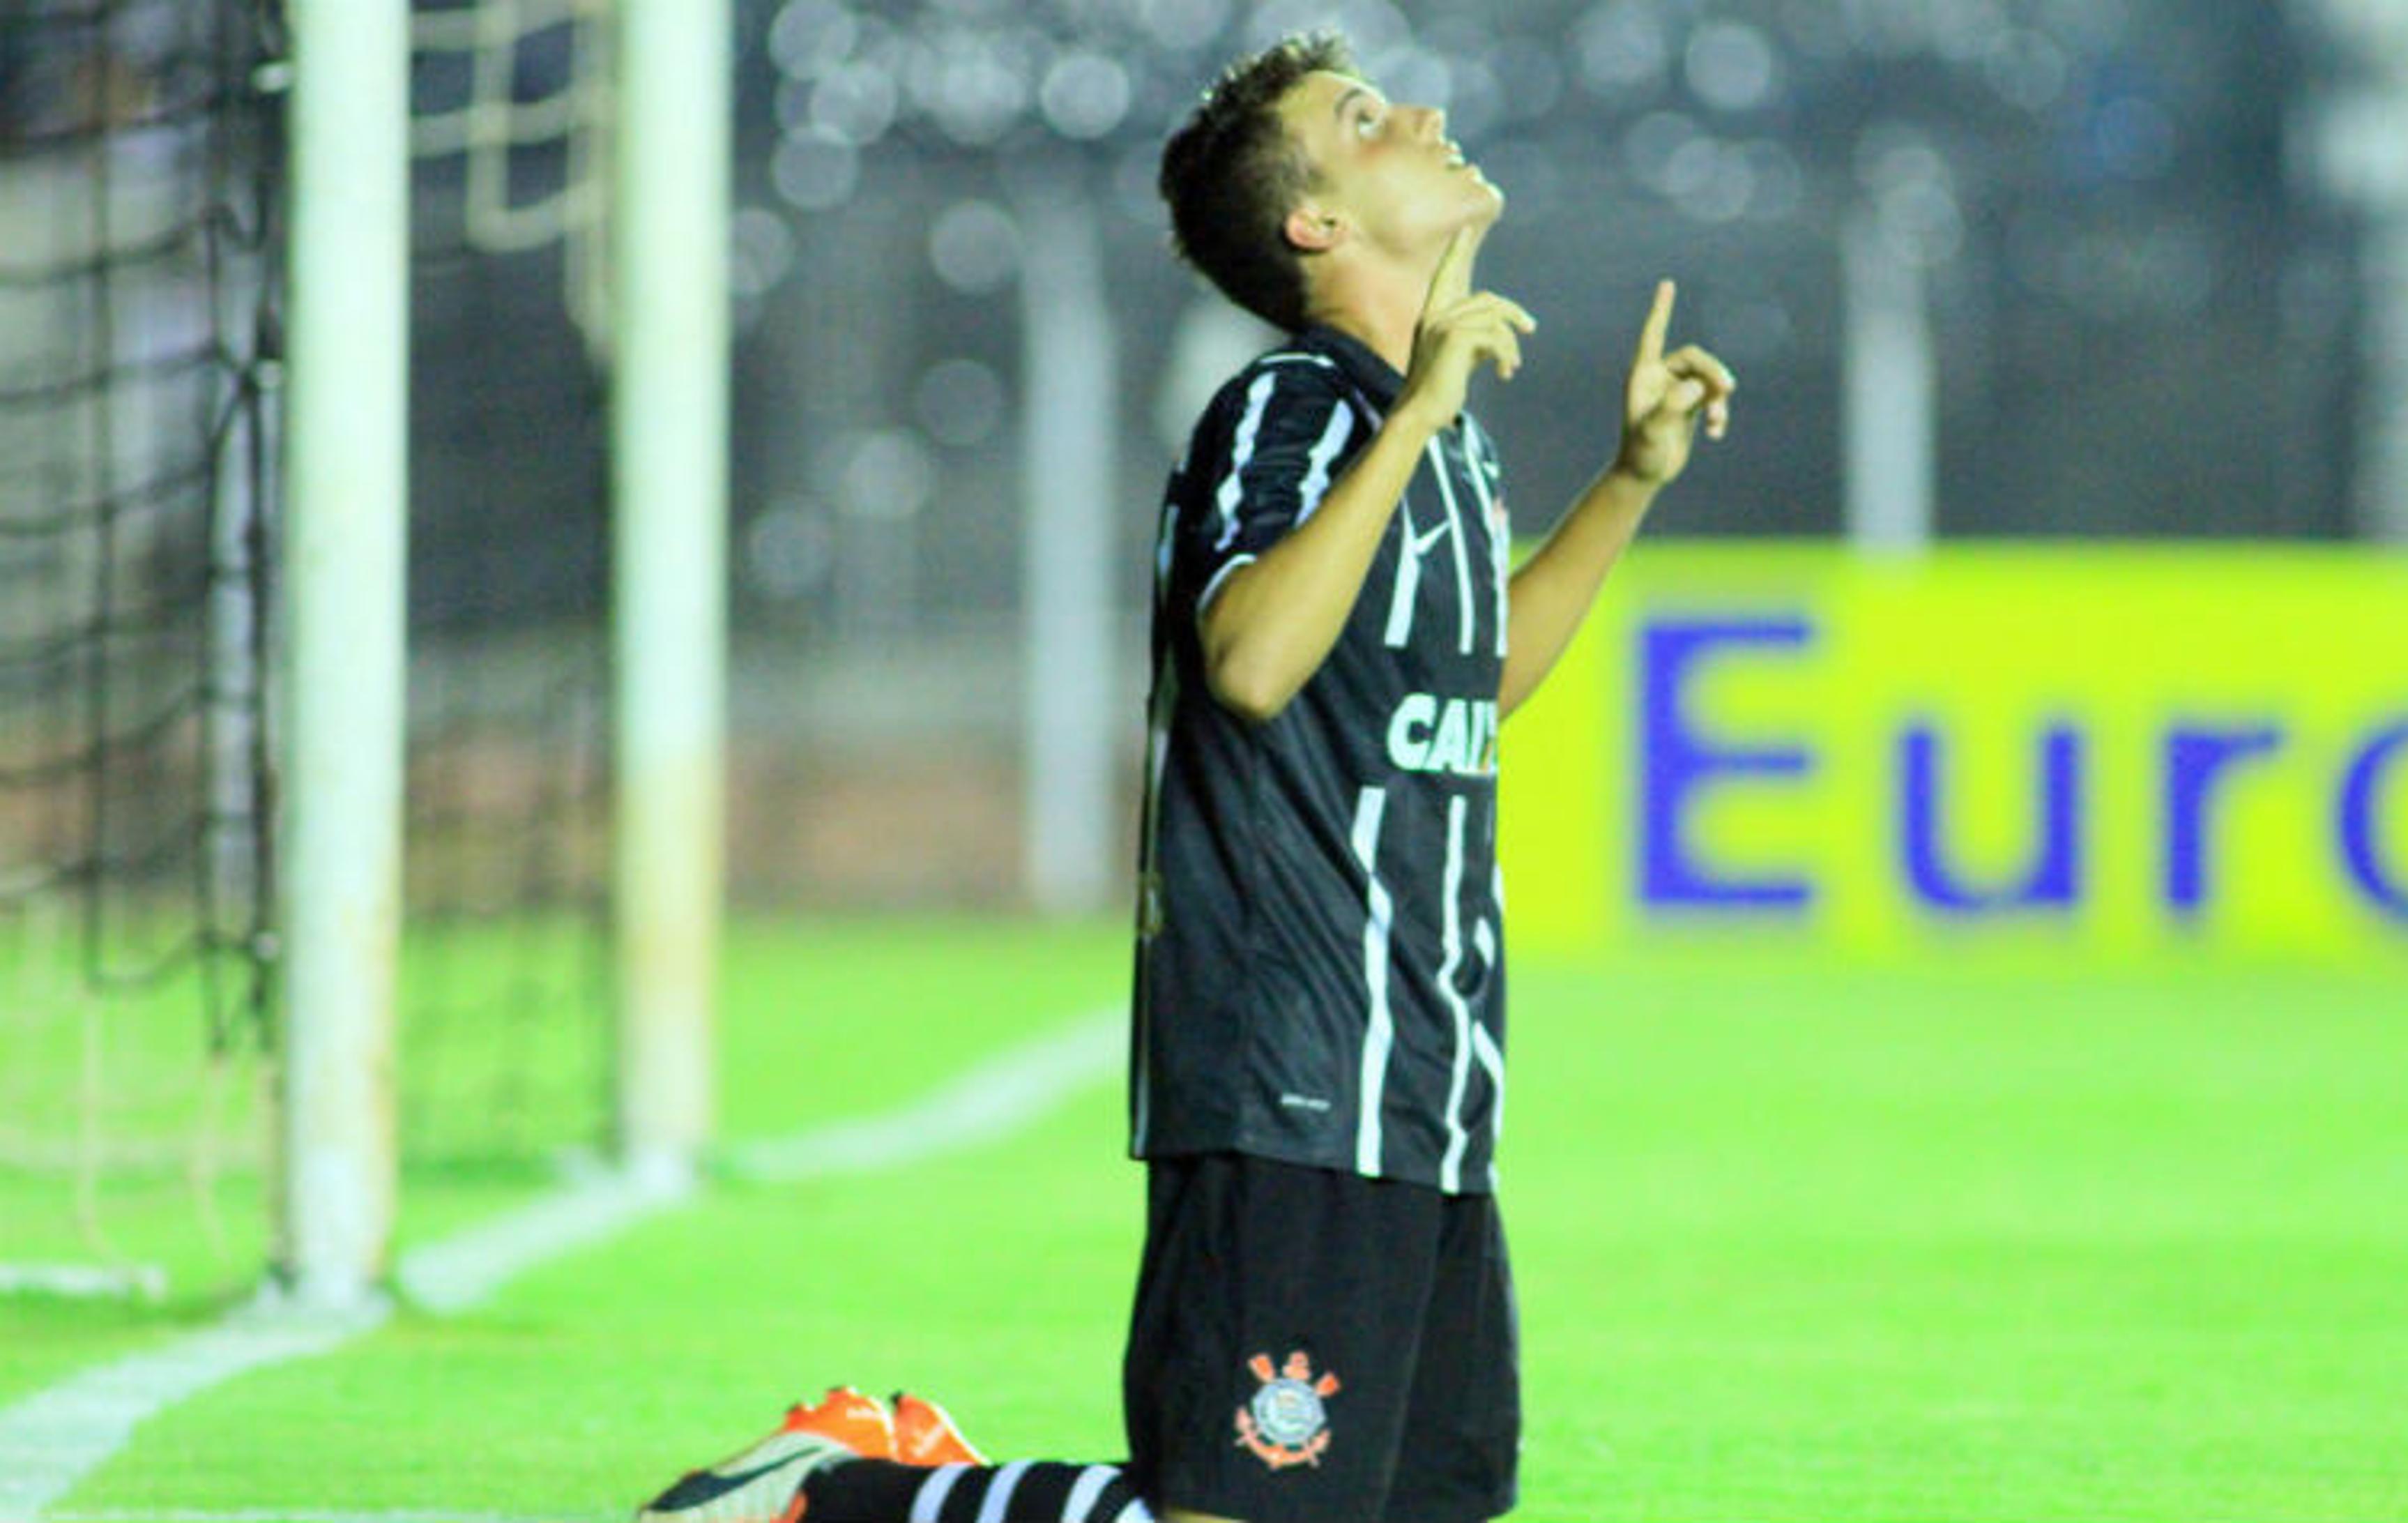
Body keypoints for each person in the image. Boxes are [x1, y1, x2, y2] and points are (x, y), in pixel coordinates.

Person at [634, 30, 1733, 1523]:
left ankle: (911, 1481)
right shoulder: (1296, 408)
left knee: (1423, 1507)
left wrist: (1626, 483)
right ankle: (834, 1497)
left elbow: (1472, 689)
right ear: (1315, 223)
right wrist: (1413, 413)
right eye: (1363, 118)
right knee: (1238, 1507)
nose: (1421, 110)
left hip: (1422, 1063)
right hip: (1292, 1059)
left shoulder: (1438, 446)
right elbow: (1251, 661)